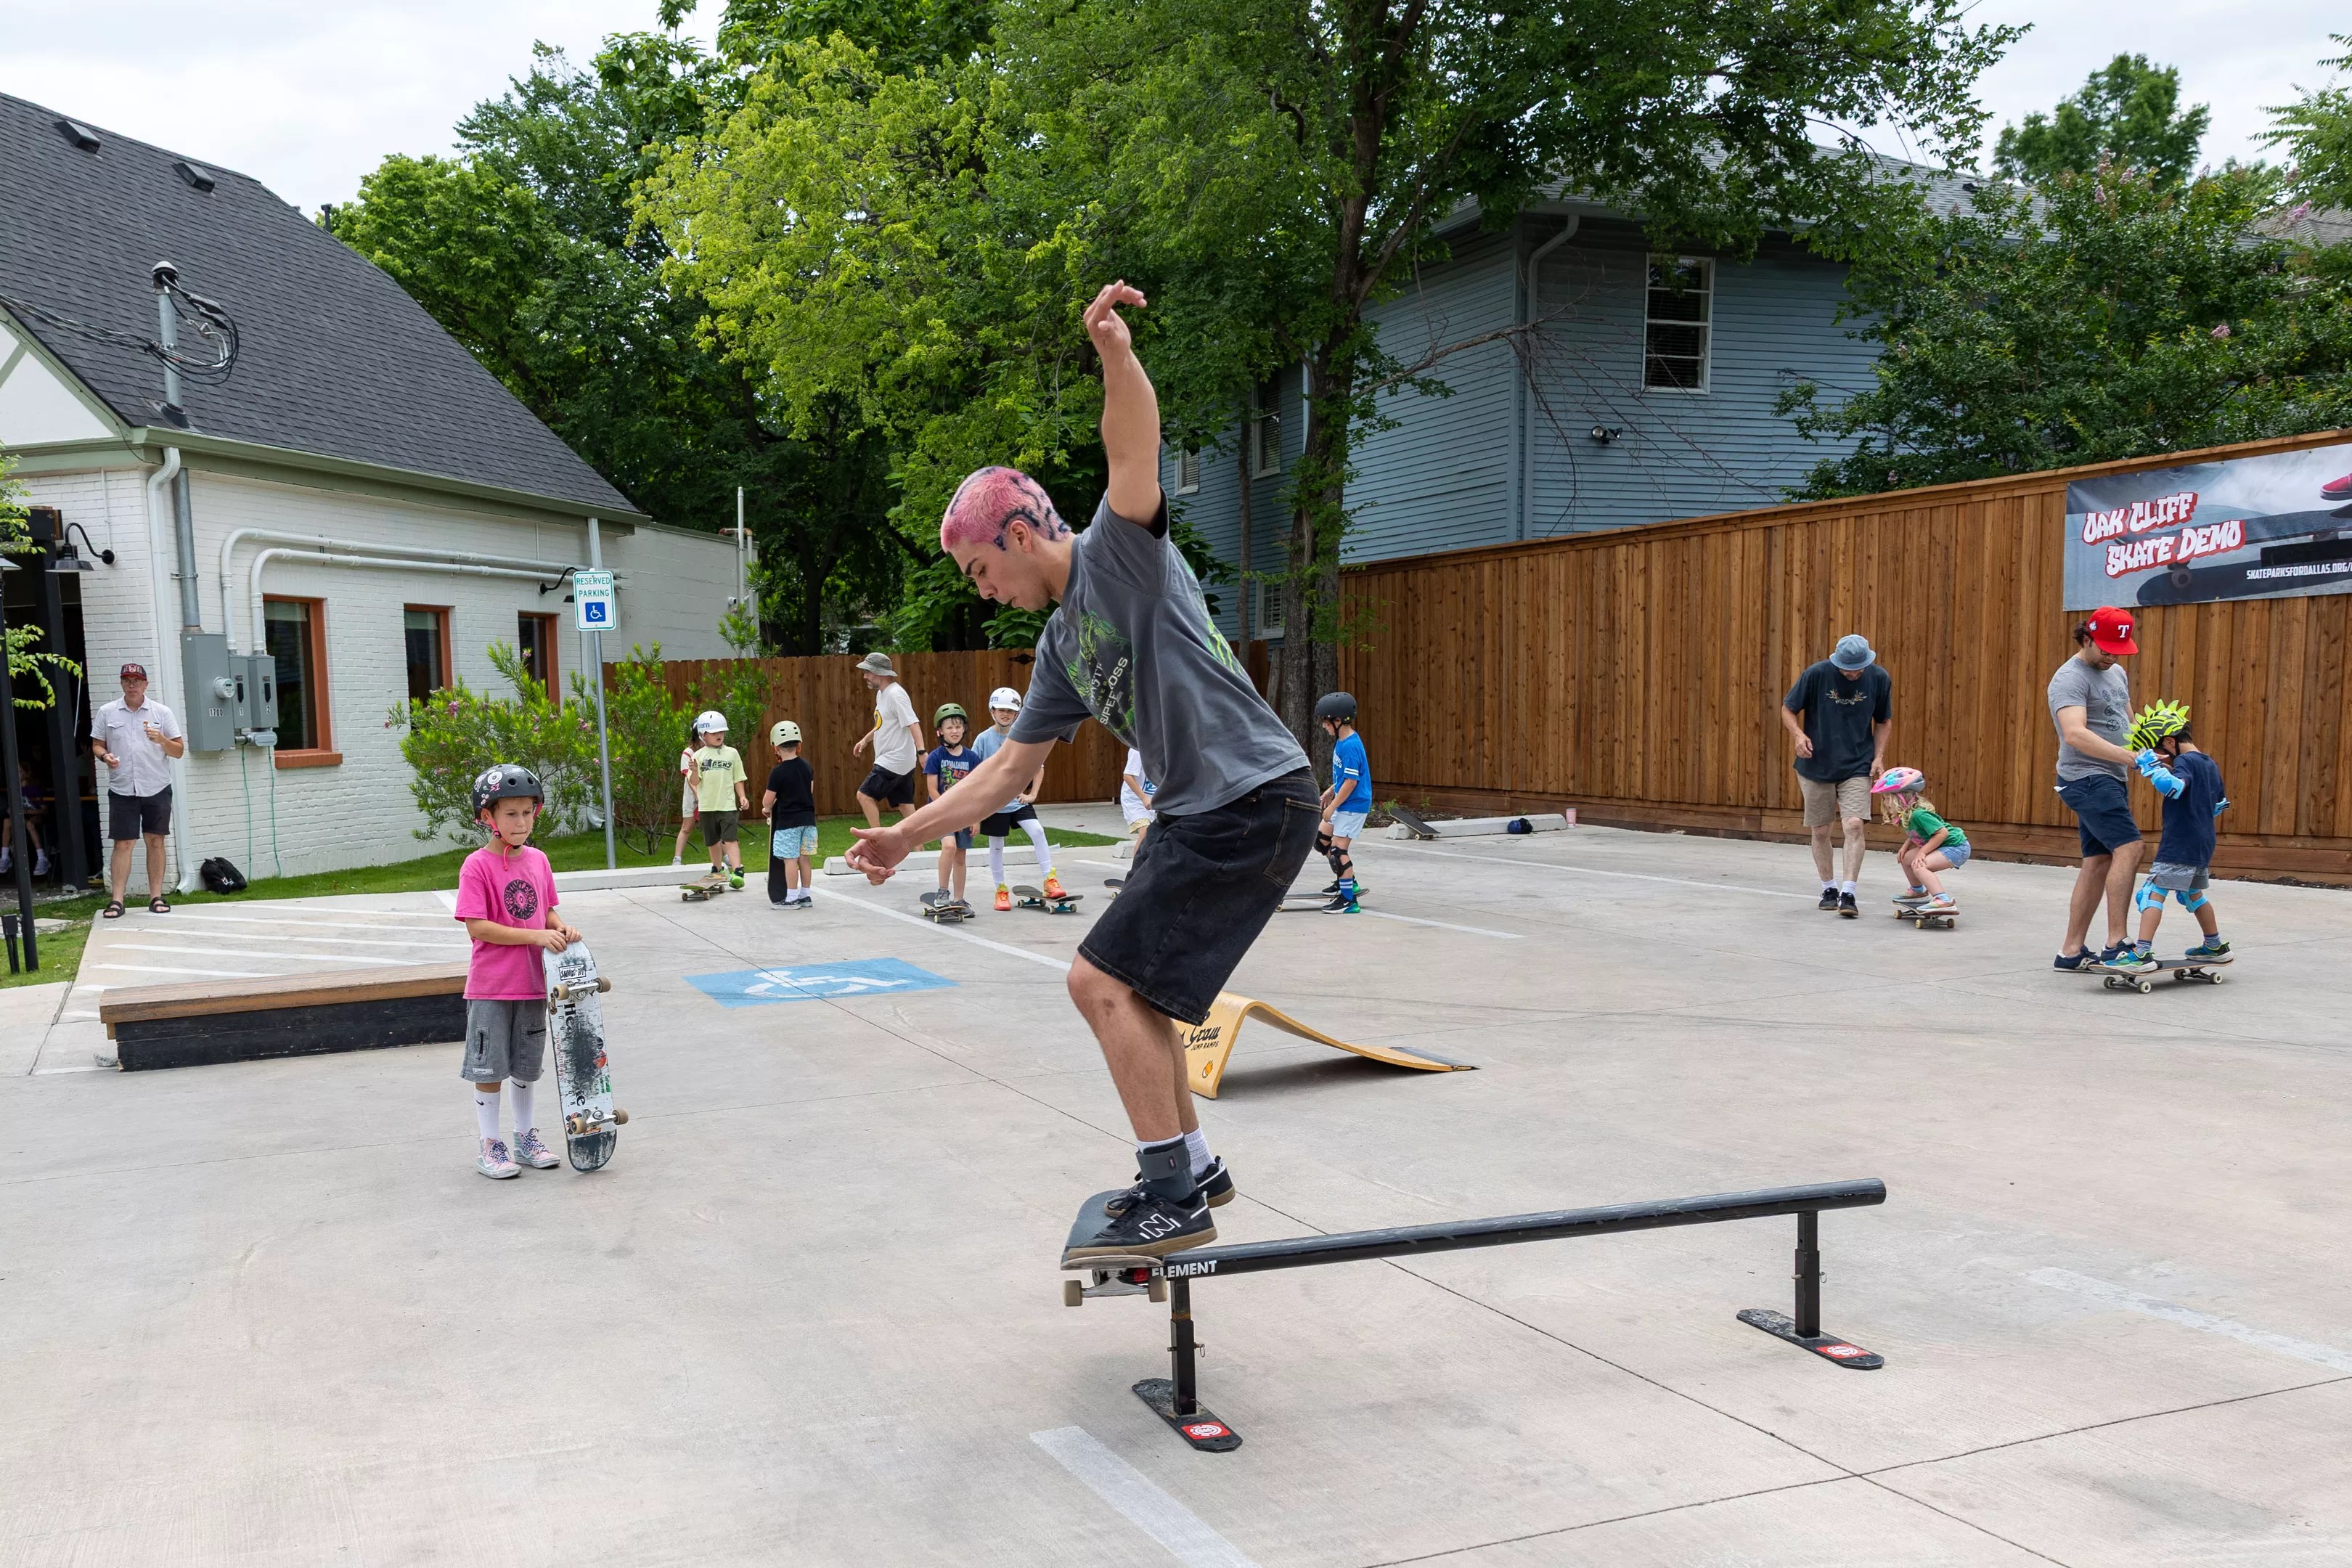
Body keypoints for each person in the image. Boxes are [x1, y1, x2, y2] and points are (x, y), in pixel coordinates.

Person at [846, 279, 1315, 1260]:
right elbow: (1004, 776)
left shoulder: (1120, 555)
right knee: (1131, 992)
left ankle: (1171, 1192)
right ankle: (1194, 1166)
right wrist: (903, 835)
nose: (986, 593)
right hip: (1198, 814)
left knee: (1098, 982)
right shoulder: (1060, 649)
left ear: (1018, 536)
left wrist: (1114, 350)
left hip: (1253, 798)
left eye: (982, 572)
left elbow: (1132, 448)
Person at [454, 764, 578, 1179]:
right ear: (487, 817)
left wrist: (560, 927)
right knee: (489, 1068)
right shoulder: (476, 866)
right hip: (492, 986)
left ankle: (525, 1137)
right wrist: (536, 936)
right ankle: (490, 1143)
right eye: (510, 814)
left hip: (532, 983)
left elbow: (547, 910)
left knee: (526, 1066)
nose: (521, 822)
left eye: (527, 812)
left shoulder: (539, 861)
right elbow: (478, 927)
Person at [2047, 607, 2144, 971]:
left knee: (2099, 860)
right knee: (2131, 847)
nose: (2112, 656)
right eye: (2105, 648)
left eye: (2118, 649)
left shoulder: (2116, 672)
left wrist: (2154, 749)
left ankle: (2070, 952)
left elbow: (2128, 720)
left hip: (2111, 776)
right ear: (2086, 638)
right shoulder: (2069, 679)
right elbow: (2075, 733)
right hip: (2087, 777)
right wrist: (2129, 757)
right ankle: (2117, 944)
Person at [1779, 634, 1890, 917]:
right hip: (1816, 763)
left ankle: (1849, 893)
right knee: (1821, 830)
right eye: (1847, 669)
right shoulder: (1816, 674)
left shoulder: (1879, 678)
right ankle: (1829, 888)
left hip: (1858, 763)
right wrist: (1798, 735)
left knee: (1854, 825)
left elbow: (1883, 720)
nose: (1853, 673)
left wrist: (1878, 757)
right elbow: (1788, 709)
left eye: (1858, 668)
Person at [2116, 700, 2231, 969]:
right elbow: (2219, 805)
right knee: (2193, 894)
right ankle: (2214, 946)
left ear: (2170, 742)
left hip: (2180, 841)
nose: (2160, 756)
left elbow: (2174, 788)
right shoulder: (2208, 763)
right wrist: (2169, 771)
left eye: (2159, 751)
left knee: (2152, 892)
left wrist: (2151, 767)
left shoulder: (2186, 761)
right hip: (2203, 842)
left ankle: (2142, 954)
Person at [91, 661, 186, 918]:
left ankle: (156, 896)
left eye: (136, 681)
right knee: (123, 843)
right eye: (127, 681)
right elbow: (97, 745)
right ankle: (117, 901)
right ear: (122, 684)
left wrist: (162, 739)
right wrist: (105, 757)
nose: (132, 685)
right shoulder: (108, 712)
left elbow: (178, 751)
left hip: (157, 786)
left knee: (156, 840)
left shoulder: (161, 713)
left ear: (146, 684)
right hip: (122, 787)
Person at [969, 686, 1065, 911]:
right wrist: (976, 809)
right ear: (992, 711)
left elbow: (1038, 767)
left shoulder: (1023, 738)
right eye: (1001, 710)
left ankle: (1050, 879)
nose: (1006, 715)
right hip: (994, 803)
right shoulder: (983, 739)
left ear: (1017, 714)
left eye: (1010, 711)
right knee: (996, 846)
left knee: (1038, 831)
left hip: (1017, 801)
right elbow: (974, 773)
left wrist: (1033, 794)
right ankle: (1000, 890)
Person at [1871, 766, 1968, 915]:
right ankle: (1917, 891)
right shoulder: (1907, 814)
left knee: (1919, 865)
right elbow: (1917, 833)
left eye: (1888, 798)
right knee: (1907, 859)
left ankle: (1942, 899)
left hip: (1956, 847)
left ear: (1901, 798)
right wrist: (1905, 847)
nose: (1885, 803)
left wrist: (1922, 853)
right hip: (1942, 845)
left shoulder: (1919, 815)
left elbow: (1942, 833)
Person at [852, 653, 923, 828]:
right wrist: (866, 740)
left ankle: (877, 839)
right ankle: (919, 845)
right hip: (901, 761)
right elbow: (883, 725)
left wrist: (922, 752)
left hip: (894, 759)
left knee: (864, 795)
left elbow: (913, 723)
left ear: (880, 673)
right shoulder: (882, 694)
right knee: (905, 805)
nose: (865, 677)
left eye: (868, 672)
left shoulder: (896, 695)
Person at [1315, 691, 1371, 913]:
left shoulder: (1350, 746)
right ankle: (1347, 881)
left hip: (1353, 805)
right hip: (1343, 801)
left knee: (1338, 852)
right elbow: (1344, 777)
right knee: (1321, 841)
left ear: (1338, 720)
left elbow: (1351, 782)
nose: (1324, 726)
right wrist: (1330, 790)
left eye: (1326, 722)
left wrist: (1333, 806)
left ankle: (1349, 901)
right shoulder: (1342, 740)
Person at [920, 703, 979, 907]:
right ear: (940, 731)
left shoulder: (972, 758)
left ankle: (959, 899)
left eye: (958, 726)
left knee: (960, 857)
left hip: (964, 815)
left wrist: (975, 818)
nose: (955, 731)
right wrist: (948, 812)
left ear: (964, 729)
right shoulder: (936, 757)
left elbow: (976, 792)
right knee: (949, 846)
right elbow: (932, 790)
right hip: (942, 813)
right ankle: (942, 892)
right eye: (950, 727)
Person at [690, 711, 750, 889]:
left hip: (727, 805)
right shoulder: (698, 756)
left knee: (730, 839)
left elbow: (738, 778)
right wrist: (695, 770)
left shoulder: (732, 753)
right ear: (703, 735)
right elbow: (695, 782)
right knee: (712, 841)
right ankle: (717, 869)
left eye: (722, 732)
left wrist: (742, 796)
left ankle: (737, 871)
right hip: (707, 806)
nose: (719, 735)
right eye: (715, 733)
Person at [762, 719, 818, 908]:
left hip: (788, 823)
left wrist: (767, 809)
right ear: (799, 745)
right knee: (805, 859)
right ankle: (806, 896)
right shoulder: (807, 767)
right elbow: (810, 791)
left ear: (776, 748)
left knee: (790, 861)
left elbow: (767, 801)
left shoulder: (778, 773)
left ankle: (792, 898)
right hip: (808, 821)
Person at [1, 761, 52, 879]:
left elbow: (44, 810)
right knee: (6, 822)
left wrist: (26, 812)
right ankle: (4, 857)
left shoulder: (33, 789)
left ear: (27, 774)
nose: (17, 774)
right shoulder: (14, 790)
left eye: (20, 772)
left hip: (33, 815)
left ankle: (42, 858)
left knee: (30, 824)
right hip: (19, 816)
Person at [671, 719, 701, 866]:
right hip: (691, 795)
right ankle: (677, 859)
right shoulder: (688, 753)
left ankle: (727, 856)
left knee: (714, 826)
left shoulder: (712, 752)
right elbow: (689, 777)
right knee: (687, 827)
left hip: (709, 793)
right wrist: (698, 794)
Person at [1118, 747, 1156, 855]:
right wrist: (1143, 798)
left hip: (1152, 799)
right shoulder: (1137, 750)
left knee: (1155, 835)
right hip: (1134, 799)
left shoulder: (1165, 748)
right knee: (1145, 833)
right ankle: (1137, 865)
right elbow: (1127, 776)